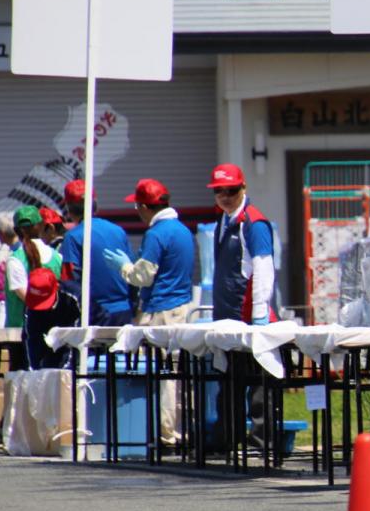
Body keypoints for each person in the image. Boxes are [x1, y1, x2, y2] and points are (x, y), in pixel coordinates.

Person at [103, 178, 196, 448]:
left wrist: (123, 267)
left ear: (145, 207)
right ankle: (178, 429)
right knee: (177, 374)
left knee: (162, 375)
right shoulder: (182, 231)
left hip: (160, 311)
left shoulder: (156, 234)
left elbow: (143, 276)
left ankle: (166, 433)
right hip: (182, 308)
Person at [209, 162, 276, 452]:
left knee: (259, 384)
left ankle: (261, 441)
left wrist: (259, 315)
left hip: (248, 316)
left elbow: (264, 269)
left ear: (243, 188)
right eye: (219, 191)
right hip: (227, 318)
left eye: (231, 190)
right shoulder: (223, 222)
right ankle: (228, 438)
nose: (225, 196)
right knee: (229, 382)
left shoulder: (254, 223)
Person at [59, 179, 137, 326]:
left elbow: (69, 281)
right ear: (95, 204)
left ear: (69, 209)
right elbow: (132, 272)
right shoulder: (118, 231)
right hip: (123, 310)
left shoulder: (73, 237)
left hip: (94, 314)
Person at [7, 206, 63, 370]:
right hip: (53, 330)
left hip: (21, 331)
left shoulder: (15, 259)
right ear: (40, 226)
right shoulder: (57, 257)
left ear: (16, 230)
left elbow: (22, 294)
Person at [23, 268, 80, 370]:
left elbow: (78, 338)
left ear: (56, 287)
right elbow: (33, 338)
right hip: (49, 337)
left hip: (72, 337)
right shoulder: (31, 307)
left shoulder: (73, 298)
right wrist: (36, 371)